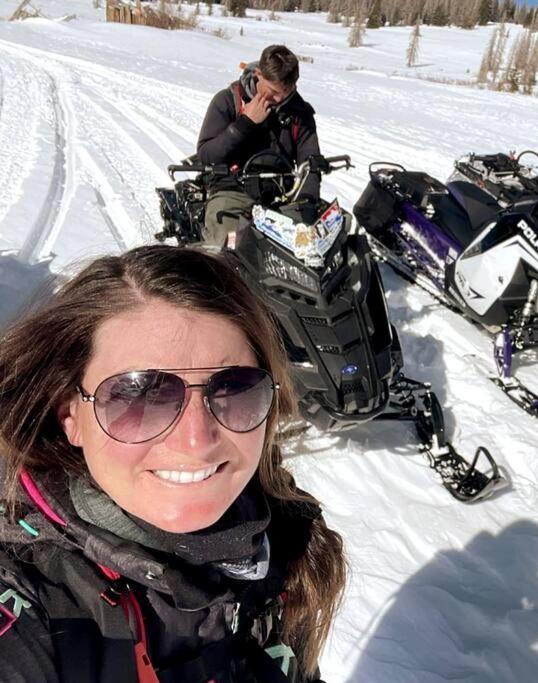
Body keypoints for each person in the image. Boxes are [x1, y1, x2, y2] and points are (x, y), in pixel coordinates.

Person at [0, 245, 346, 681]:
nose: (197, 440)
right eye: (139, 393)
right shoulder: (29, 602)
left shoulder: (278, 549)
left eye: (234, 387)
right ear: (71, 416)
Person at [197, 44, 321, 246]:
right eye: (273, 91)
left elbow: (310, 161)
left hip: (282, 196)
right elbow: (206, 155)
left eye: (287, 90)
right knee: (227, 246)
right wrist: (245, 124)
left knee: (321, 241)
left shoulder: (300, 112)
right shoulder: (228, 101)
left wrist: (307, 200)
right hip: (233, 191)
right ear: (258, 75)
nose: (279, 98)